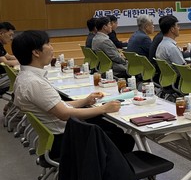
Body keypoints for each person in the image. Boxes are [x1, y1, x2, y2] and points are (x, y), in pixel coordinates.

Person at [12, 30, 133, 158]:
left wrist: (85, 101)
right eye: (48, 44)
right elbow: (64, 113)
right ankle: (106, 168)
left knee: (112, 128)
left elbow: (56, 105)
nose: (52, 48)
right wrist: (104, 108)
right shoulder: (34, 82)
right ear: (36, 52)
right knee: (124, 139)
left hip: (60, 134)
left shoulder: (26, 77)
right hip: (64, 140)